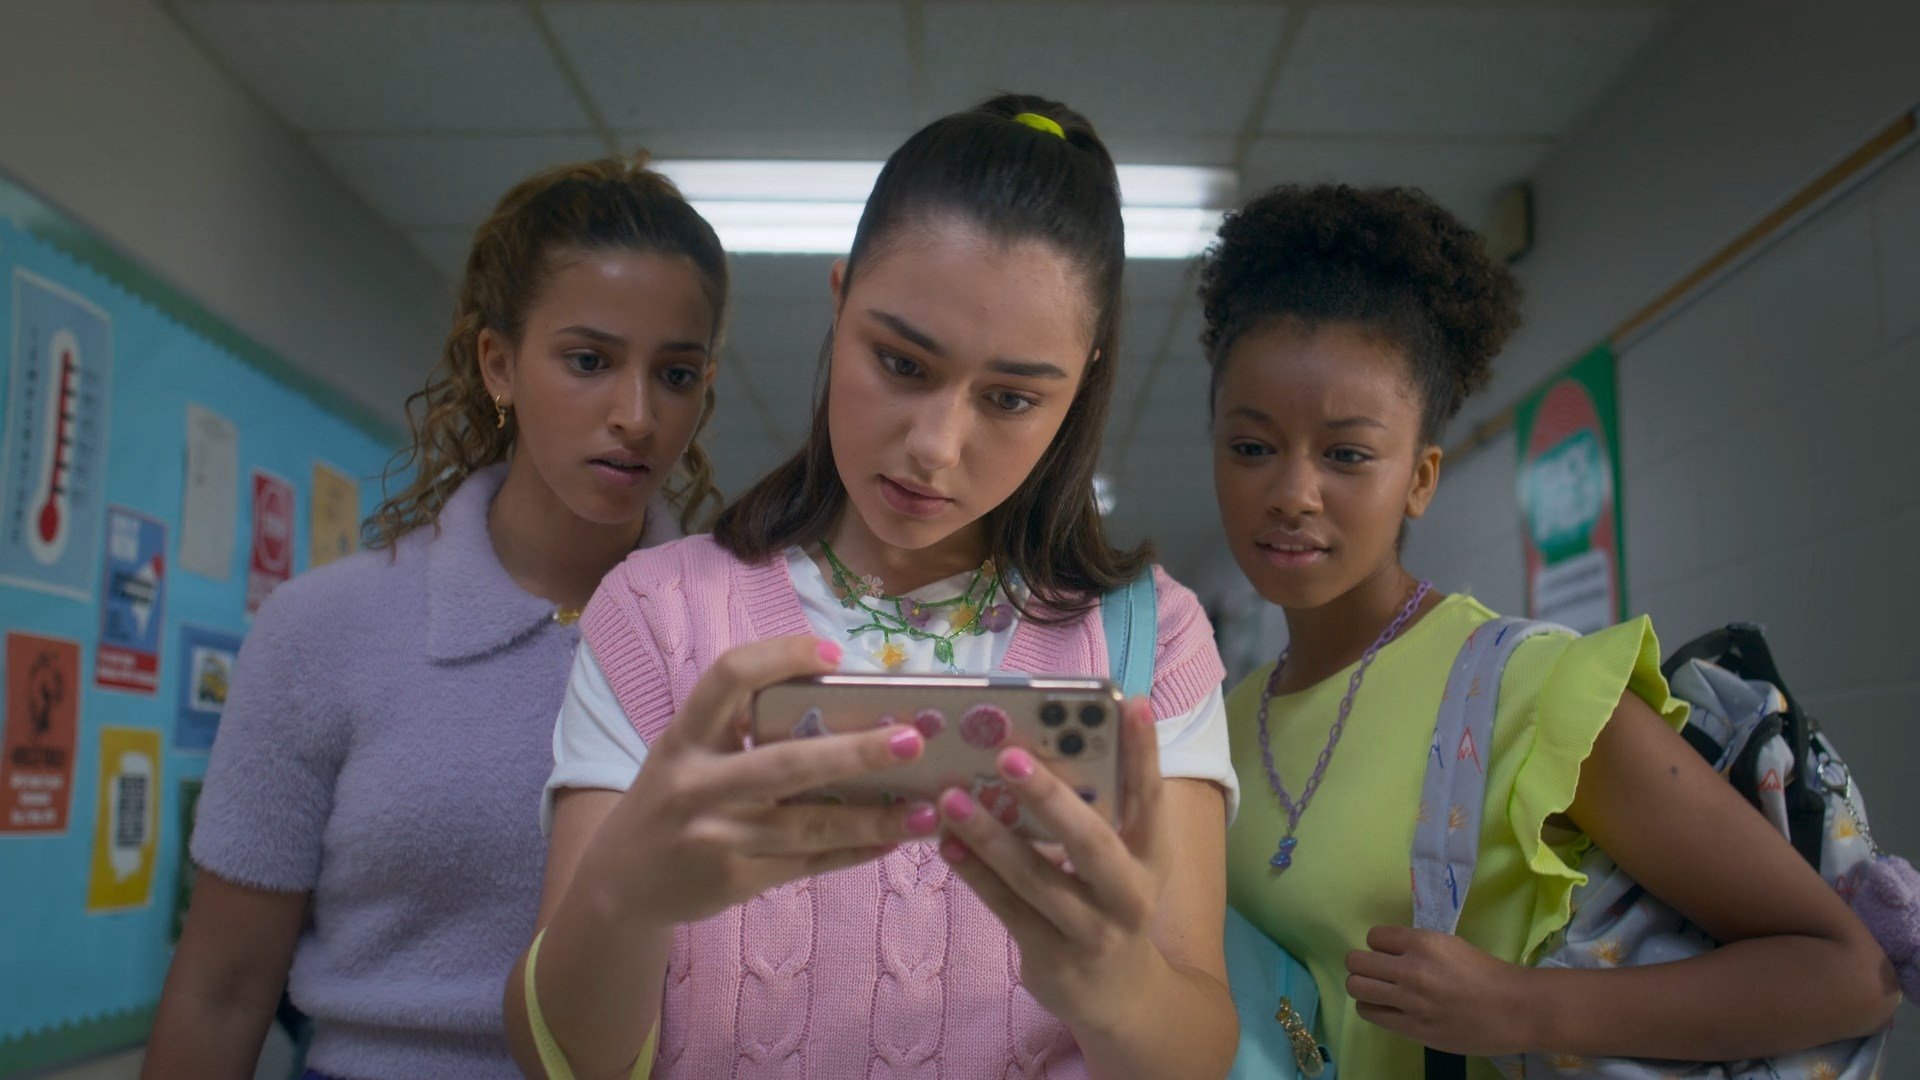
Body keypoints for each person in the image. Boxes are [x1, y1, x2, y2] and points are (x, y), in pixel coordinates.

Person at [509, 95, 1240, 1080]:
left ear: (1084, 380)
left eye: (1012, 398)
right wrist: (625, 897)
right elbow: (559, 1059)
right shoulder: (656, 612)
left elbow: (1198, 1047)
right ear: (840, 297)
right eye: (900, 362)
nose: (935, 445)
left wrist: (1119, 986)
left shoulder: (1152, 636)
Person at [1204, 183, 1900, 1076]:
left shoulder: (1529, 692)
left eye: (1347, 454)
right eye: (1252, 447)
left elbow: (1848, 975)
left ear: (1419, 479)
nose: (1293, 492)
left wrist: (1523, 1006)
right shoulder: (1220, 725)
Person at [145, 155, 729, 1079]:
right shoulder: (322, 629)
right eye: (588, 360)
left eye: (677, 374)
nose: (637, 414)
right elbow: (220, 989)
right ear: (499, 364)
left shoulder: (735, 639)